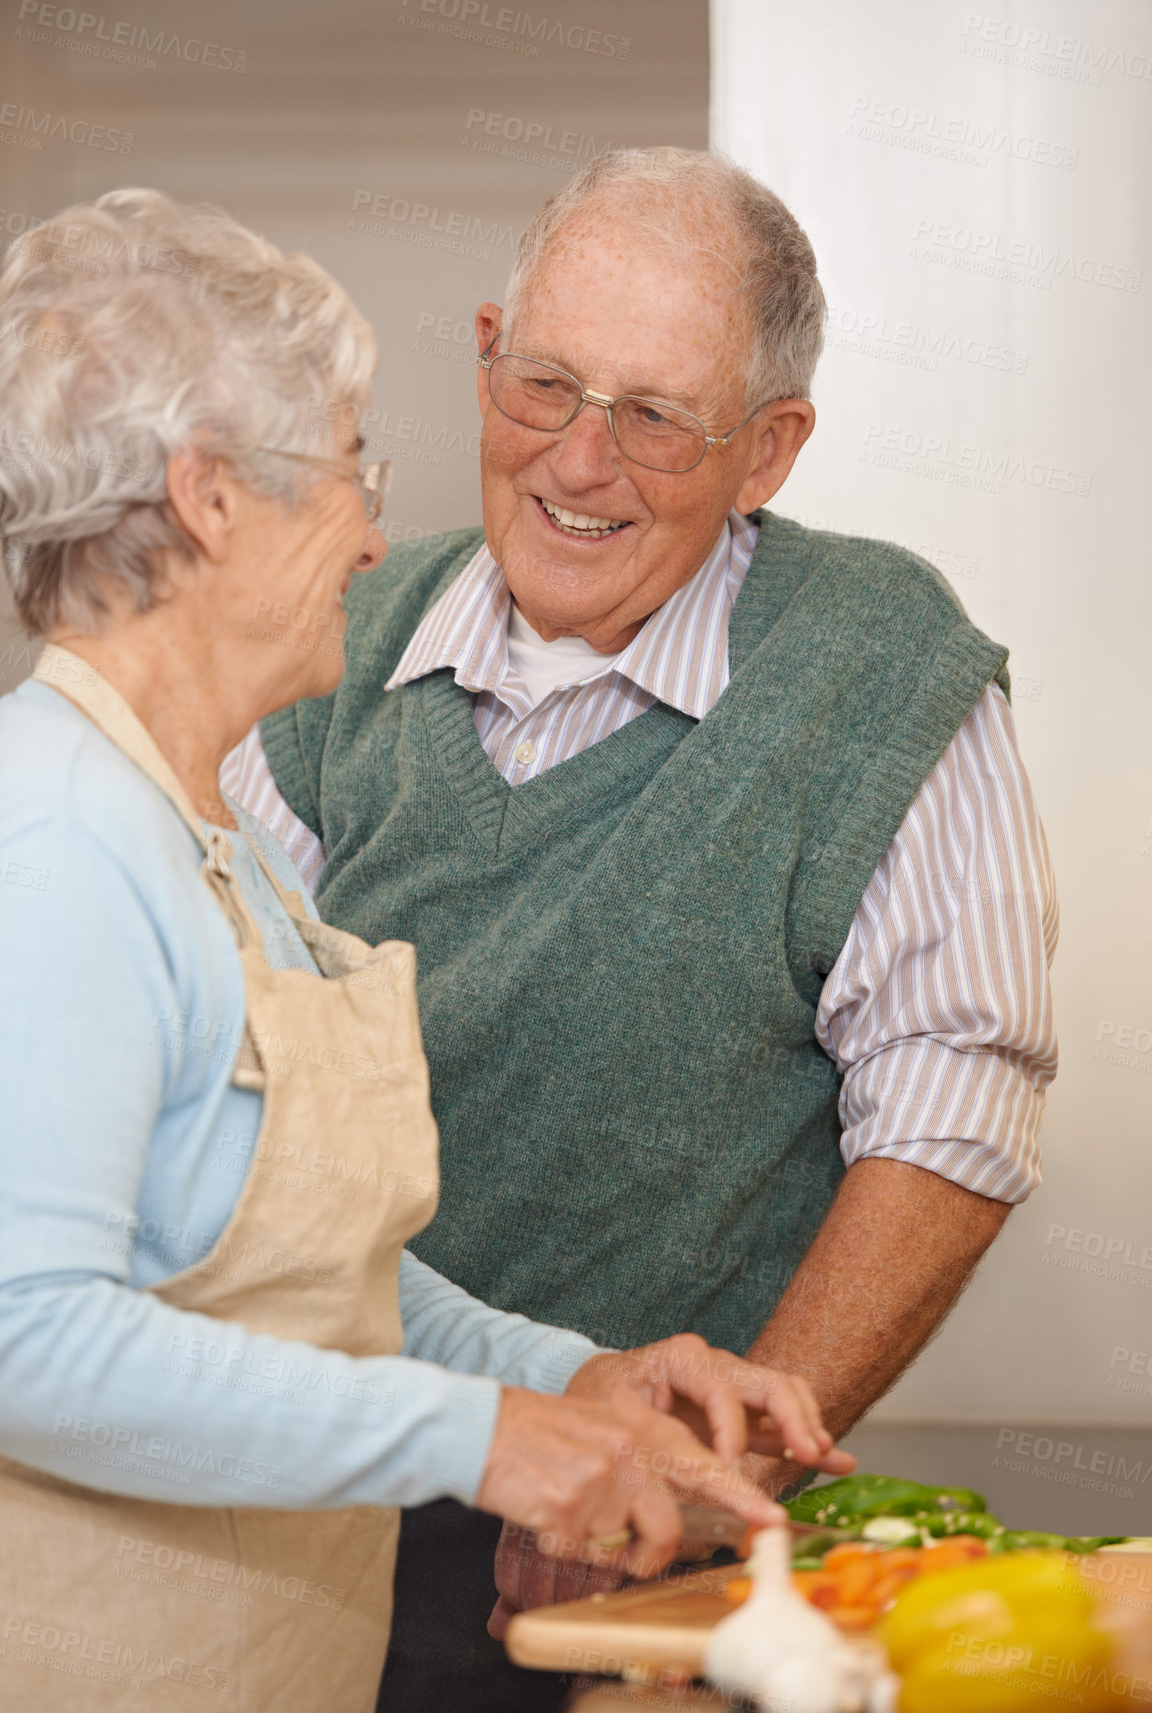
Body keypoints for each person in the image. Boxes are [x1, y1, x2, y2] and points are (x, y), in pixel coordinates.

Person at [225, 145, 1059, 1712]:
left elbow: (951, 1118)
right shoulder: (332, 645)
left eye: (657, 416)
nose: (579, 461)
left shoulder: (882, 666)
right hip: (302, 1522)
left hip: (661, 1582)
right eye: (544, 383)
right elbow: (213, 1097)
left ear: (771, 449)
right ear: (484, 352)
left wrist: (684, 1472)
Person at [0, 189, 854, 1713]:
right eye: (342, 468)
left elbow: (313, 1275)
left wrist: (566, 1373)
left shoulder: (201, 824)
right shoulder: (60, 840)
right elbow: (23, 1334)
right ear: (210, 498)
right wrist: (482, 1439)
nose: (381, 530)